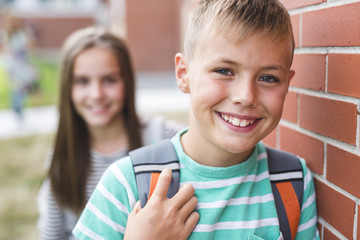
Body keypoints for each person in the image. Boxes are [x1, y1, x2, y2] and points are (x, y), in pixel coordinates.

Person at [73, 0, 319, 239]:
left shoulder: (293, 182)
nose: (246, 97)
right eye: (224, 71)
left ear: (287, 83)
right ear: (184, 74)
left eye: (268, 78)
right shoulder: (127, 184)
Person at [37, 27, 182, 240]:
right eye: (82, 81)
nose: (97, 94)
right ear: (67, 87)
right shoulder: (61, 158)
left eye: (109, 80)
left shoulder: (164, 137)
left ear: (127, 81)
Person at [2, 13, 37, 123]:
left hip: (23, 64)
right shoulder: (7, 34)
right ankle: (17, 110)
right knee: (16, 88)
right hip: (14, 65)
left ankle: (20, 109)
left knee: (23, 87)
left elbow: (30, 48)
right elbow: (6, 50)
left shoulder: (23, 33)